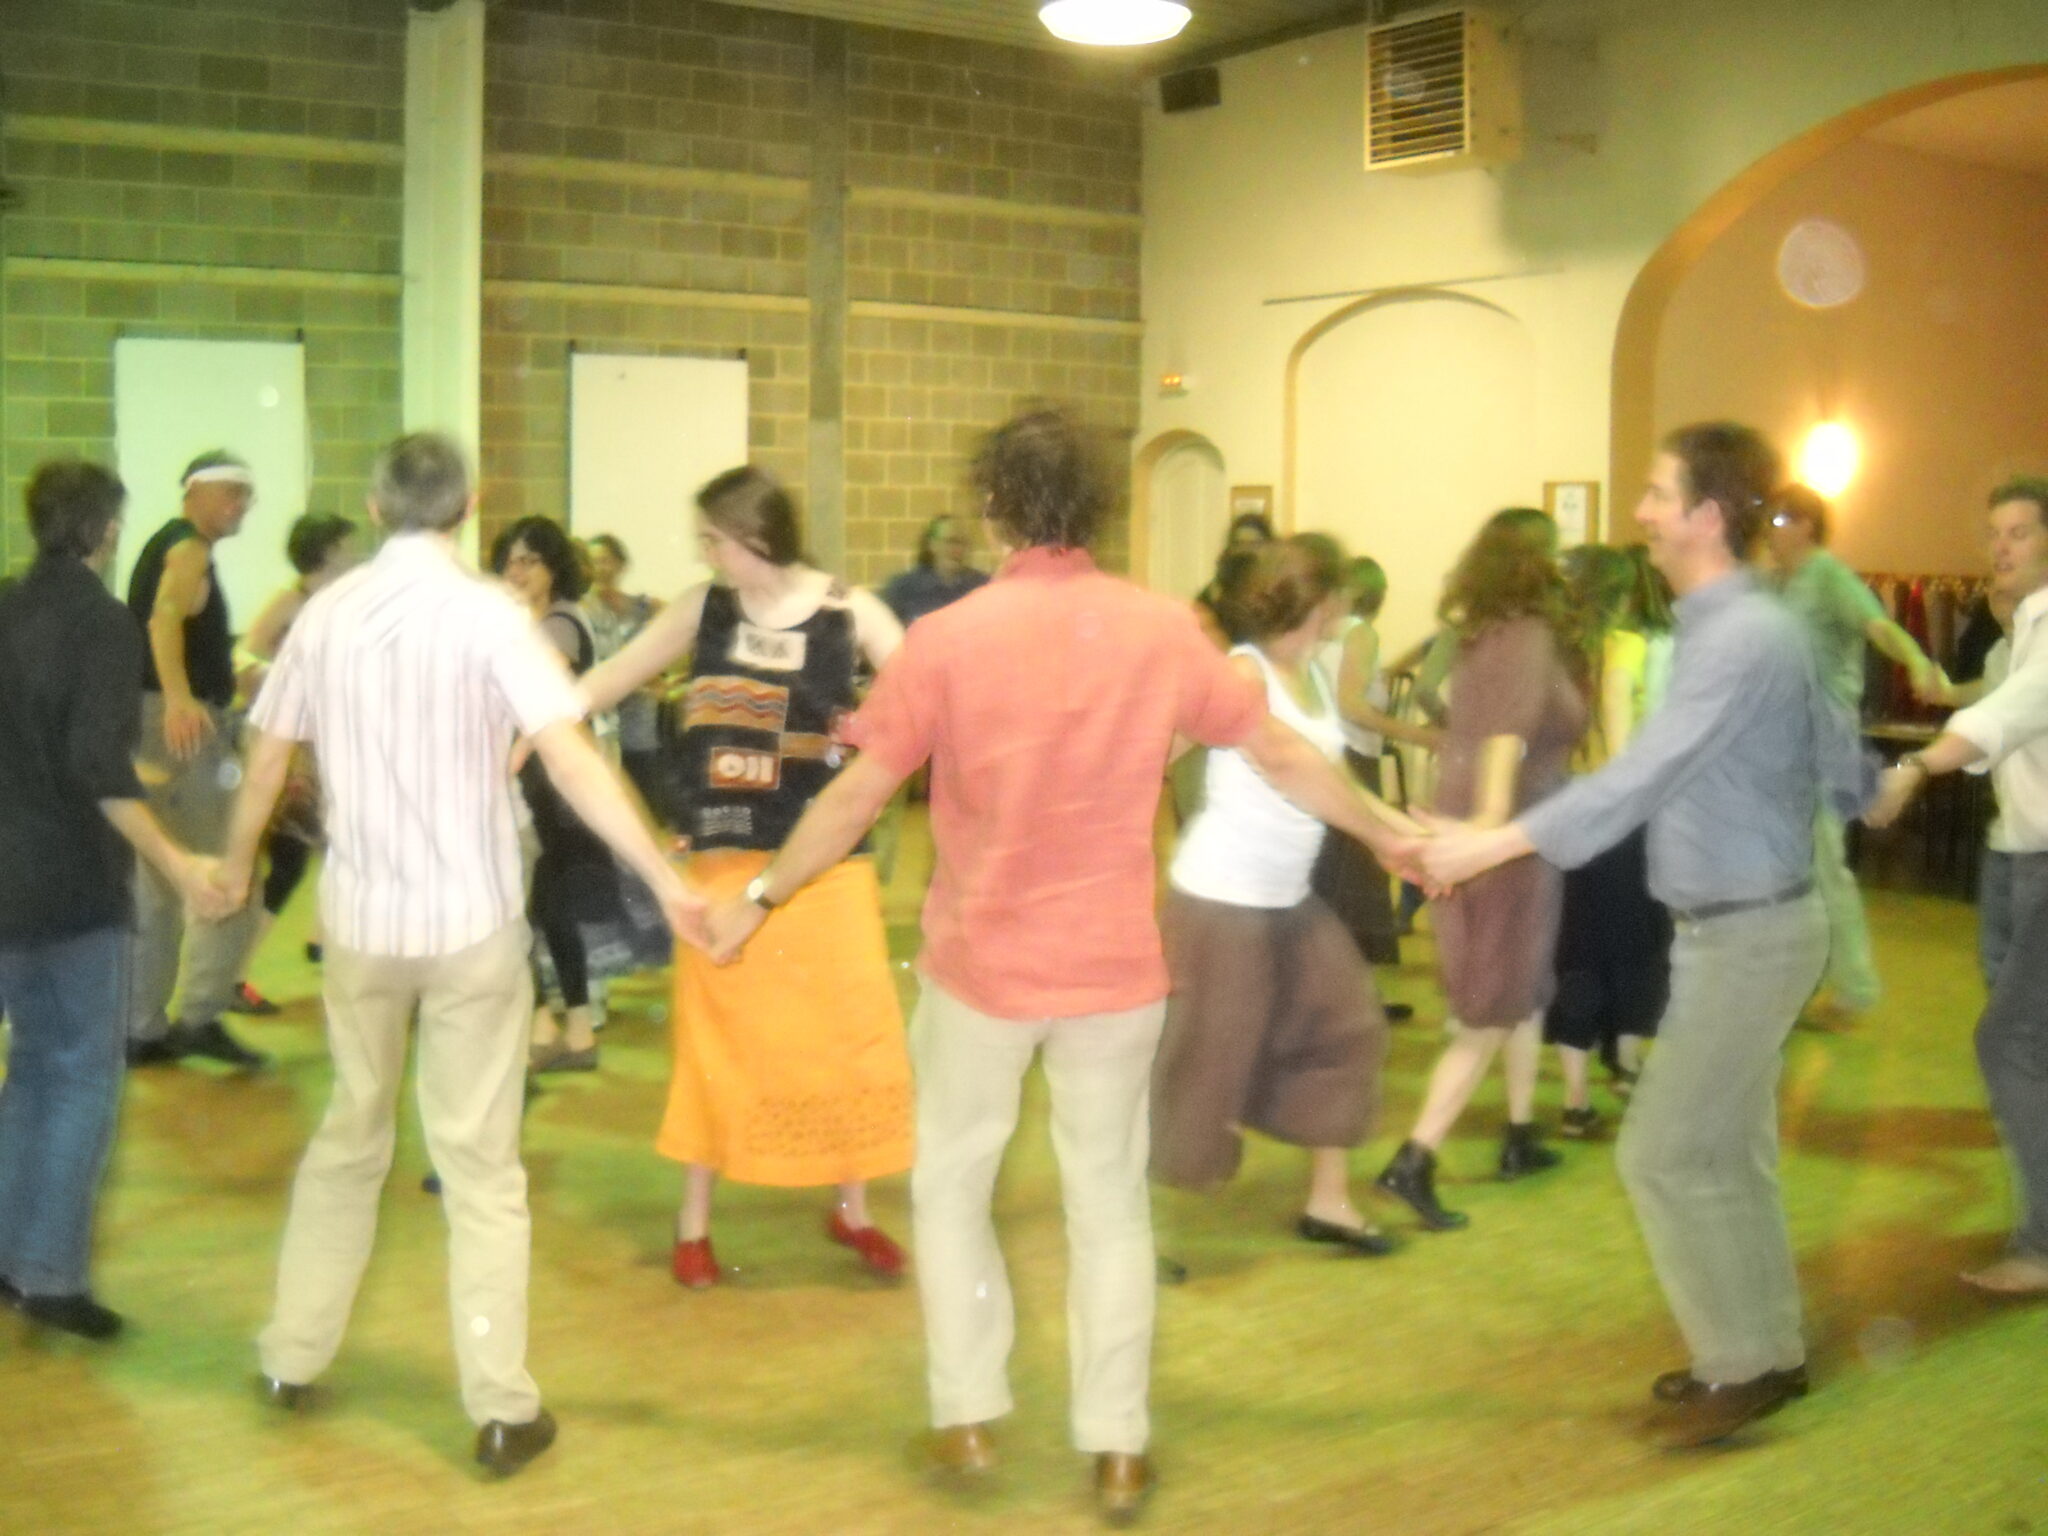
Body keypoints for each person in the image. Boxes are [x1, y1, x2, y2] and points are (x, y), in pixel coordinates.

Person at [696, 409, 1417, 1525]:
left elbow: (853, 797)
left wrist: (757, 898)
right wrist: (1391, 835)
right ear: (1095, 508)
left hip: (980, 973)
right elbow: (1279, 752)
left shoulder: (948, 639)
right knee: (1109, 1206)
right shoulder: (1160, 628)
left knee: (952, 1190)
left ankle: (967, 1414)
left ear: (993, 508)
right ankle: (1117, 1446)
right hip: (1113, 974)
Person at [213, 432, 703, 1474]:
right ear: (469, 506)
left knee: (348, 1137)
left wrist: (232, 864)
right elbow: (572, 760)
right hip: (471, 927)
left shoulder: (325, 615)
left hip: (362, 928)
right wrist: (666, 880)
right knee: (480, 1168)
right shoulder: (493, 615)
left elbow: (265, 760)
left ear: (372, 504)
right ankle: (501, 1408)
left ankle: (292, 1355)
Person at [1412, 423, 1864, 1449]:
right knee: (1730, 1153)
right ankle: (1767, 1349)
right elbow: (1830, 749)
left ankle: (1738, 1365)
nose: (1642, 513)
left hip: (1748, 934)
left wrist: (1487, 847)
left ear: (1707, 514)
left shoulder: (1741, 635)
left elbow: (1640, 776)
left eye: (1659, 495)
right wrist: (1867, 789)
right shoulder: (1741, 624)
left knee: (1660, 1154)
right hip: (1745, 927)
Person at [578, 467, 913, 1289]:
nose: (706, 554)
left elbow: (929, 700)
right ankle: (693, 1225)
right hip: (724, 863)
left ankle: (853, 1209)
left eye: (715, 540)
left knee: (846, 1038)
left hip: (825, 868)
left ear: (758, 537)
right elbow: (603, 684)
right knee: (717, 1045)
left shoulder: (854, 612)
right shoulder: (702, 609)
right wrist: (532, 720)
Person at [0, 461, 233, 1341]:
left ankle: (9, 1252)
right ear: (105, 530)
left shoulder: (4, 604)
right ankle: (50, 1276)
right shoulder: (102, 622)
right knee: (78, 1079)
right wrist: (178, 862)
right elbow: (93, 765)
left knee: (31, 1068)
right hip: (68, 890)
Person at [1151, 535, 1416, 1258]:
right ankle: (1126, 1226)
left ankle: (1329, 1203)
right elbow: (1165, 750)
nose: (1347, 605)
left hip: (1288, 899)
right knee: (1200, 1065)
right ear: (1317, 598)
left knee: (1348, 1029)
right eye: (1340, 592)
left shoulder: (1314, 675)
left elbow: (1331, 777)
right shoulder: (1244, 671)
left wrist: (1405, 832)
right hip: (1220, 901)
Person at [1373, 508, 1588, 1231]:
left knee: (1520, 990)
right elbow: (1504, 738)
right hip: (1504, 839)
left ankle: (1520, 1134)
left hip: (1487, 827)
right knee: (1490, 1010)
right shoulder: (1527, 637)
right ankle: (1415, 1157)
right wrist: (1491, 826)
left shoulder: (1480, 636)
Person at [1866, 478, 2048, 1296]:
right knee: (2026, 1042)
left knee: (2010, 1042)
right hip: (2018, 855)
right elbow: (1993, 713)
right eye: (1995, 533)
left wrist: (1912, 766)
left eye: (2020, 532)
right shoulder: (2023, 632)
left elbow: (1999, 719)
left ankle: (2044, 1244)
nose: (2000, 547)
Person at [1765, 483, 1940, 1025]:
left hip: (1824, 745)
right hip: (1781, 747)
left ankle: (1855, 987)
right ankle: (1803, 981)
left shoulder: (1831, 578)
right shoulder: (1776, 582)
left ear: (1805, 525)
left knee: (1824, 866)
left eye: (1778, 520)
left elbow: (1879, 627)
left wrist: (1915, 659)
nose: (1769, 530)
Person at [124, 451, 267, 1070]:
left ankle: (140, 1027)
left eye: (246, 495)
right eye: (231, 493)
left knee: (158, 879)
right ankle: (201, 1016)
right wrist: (183, 699)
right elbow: (164, 620)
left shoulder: (168, 543)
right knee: (236, 871)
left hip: (148, 721)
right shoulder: (188, 549)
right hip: (181, 727)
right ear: (195, 493)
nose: (241, 506)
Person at [1543, 545, 1672, 1138]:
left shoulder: (1559, 652)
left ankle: (1575, 1099)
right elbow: (1619, 726)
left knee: (1577, 950)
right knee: (1635, 945)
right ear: (1621, 595)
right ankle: (1626, 1063)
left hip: (1566, 806)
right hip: (1616, 815)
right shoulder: (1624, 646)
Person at [491, 516, 609, 1073]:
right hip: (538, 782)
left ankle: (564, 1026)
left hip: (552, 784)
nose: (517, 571)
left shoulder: (560, 622)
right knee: (539, 909)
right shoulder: (528, 622)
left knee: (541, 908)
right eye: (510, 561)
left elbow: (536, 696)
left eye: (529, 561)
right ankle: (559, 1025)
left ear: (553, 567)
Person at [231, 512, 361, 1003]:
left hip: (333, 747)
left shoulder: (345, 604)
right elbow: (244, 655)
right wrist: (276, 677)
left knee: (342, 853)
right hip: (293, 753)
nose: (355, 553)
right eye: (347, 545)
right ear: (326, 551)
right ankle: (234, 974)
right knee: (291, 861)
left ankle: (324, 943)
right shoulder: (291, 602)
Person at [1312, 554, 1438, 989]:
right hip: (1351, 755)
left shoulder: (1329, 633)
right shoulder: (1360, 633)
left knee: (1335, 875)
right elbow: (1351, 704)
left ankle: (1332, 987)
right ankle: (1352, 991)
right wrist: (1417, 735)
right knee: (1355, 876)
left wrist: (1414, 653)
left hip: (1326, 756)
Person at [581, 533, 668, 820]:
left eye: (606, 560)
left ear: (621, 565)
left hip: (641, 722)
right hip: (605, 721)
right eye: (593, 561)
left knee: (647, 803)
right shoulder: (583, 610)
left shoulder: (643, 607)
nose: (600, 568)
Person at [881, 514, 989, 630]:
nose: (957, 549)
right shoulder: (902, 589)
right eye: (950, 541)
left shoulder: (983, 587)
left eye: (962, 542)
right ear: (931, 544)